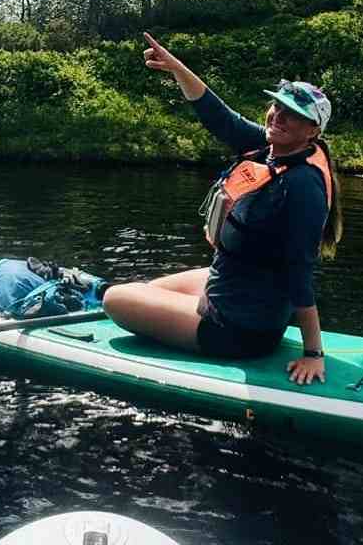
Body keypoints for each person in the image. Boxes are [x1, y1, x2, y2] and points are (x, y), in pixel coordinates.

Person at [101, 32, 343, 385]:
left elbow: (300, 270)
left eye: (292, 114)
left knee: (114, 299)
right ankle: (167, 313)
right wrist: (176, 68)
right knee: (148, 287)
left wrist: (313, 353)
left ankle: (194, 330)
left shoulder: (304, 184)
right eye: (278, 106)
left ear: (312, 130)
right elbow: (220, 117)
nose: (278, 116)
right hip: (236, 284)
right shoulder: (271, 149)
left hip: (240, 328)